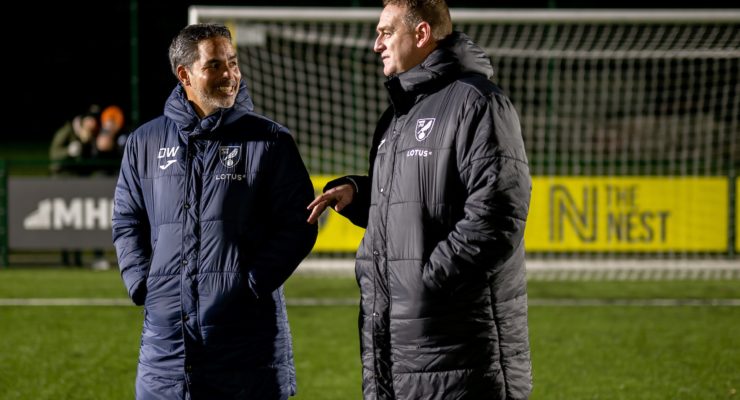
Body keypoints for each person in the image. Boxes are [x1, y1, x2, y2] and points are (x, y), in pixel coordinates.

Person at [307, 1, 533, 399]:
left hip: (455, 346)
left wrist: (424, 281)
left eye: (386, 32)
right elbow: (414, 203)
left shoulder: (477, 102)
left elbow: (498, 214)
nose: (376, 44)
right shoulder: (400, 112)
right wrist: (361, 195)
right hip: (399, 344)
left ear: (422, 34)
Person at [112, 23, 317, 399]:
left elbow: (299, 224)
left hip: (247, 347)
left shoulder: (270, 141)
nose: (230, 75)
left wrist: (250, 284)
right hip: (166, 352)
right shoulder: (145, 141)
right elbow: (127, 218)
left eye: (233, 63)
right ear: (184, 75)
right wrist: (144, 281)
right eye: (215, 66)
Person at [49, 104, 102, 267]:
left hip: (80, 183)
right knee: (65, 222)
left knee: (78, 223)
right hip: (63, 182)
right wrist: (68, 152)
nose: (92, 125)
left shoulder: (92, 137)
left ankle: (77, 258)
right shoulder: (67, 131)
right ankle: (65, 259)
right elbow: (53, 155)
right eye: (90, 120)